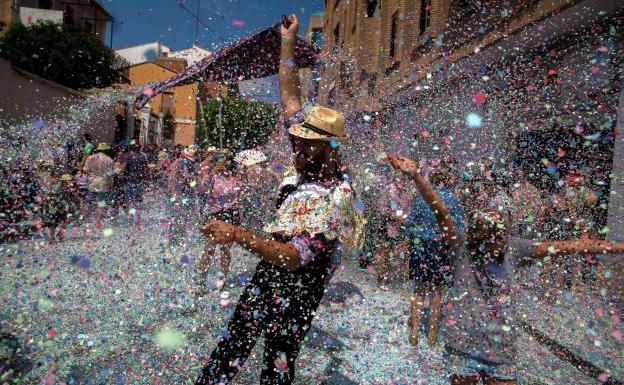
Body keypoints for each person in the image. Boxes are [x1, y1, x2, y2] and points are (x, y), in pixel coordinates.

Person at [195, 14, 365, 385]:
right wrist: (288, 40)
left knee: (277, 365)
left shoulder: (335, 197)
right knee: (229, 350)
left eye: (306, 141)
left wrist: (239, 235)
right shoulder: (307, 164)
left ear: (329, 148)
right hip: (268, 276)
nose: (296, 144)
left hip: (298, 289)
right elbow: (290, 96)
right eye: (297, 138)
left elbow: (292, 257)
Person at [386, 153, 624, 385]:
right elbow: (440, 210)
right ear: (481, 236)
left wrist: (615, 247)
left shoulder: (512, 248)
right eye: (497, 236)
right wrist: (416, 175)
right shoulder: (463, 245)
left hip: (497, 348)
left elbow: (568, 246)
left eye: (502, 235)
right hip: (465, 345)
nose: (502, 240)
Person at [398, 162, 465, 347]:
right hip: (442, 248)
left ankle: (414, 332)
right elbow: (459, 228)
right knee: (437, 292)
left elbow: (409, 224)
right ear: (449, 181)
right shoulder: (453, 200)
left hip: (421, 247)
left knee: (419, 290)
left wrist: (412, 238)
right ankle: (433, 333)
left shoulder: (421, 199)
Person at [197, 153, 245, 289]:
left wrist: (243, 173)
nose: (225, 164)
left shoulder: (236, 178)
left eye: (227, 162)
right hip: (216, 214)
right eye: (223, 161)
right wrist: (212, 172)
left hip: (231, 214)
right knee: (209, 249)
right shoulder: (213, 177)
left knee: (225, 250)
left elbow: (245, 190)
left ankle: (222, 281)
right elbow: (201, 189)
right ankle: (201, 282)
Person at [83, 143, 116, 229]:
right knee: (100, 203)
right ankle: (97, 221)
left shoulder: (90, 158)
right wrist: (111, 185)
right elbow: (110, 174)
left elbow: (85, 171)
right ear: (106, 150)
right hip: (103, 184)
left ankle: (85, 218)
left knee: (88, 201)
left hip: (91, 183)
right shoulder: (109, 160)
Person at [123, 140, 149, 228]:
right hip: (139, 182)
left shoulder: (127, 156)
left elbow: (123, 169)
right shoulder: (143, 156)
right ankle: (138, 220)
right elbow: (146, 170)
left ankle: (131, 218)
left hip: (129, 181)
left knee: (130, 201)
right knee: (138, 201)